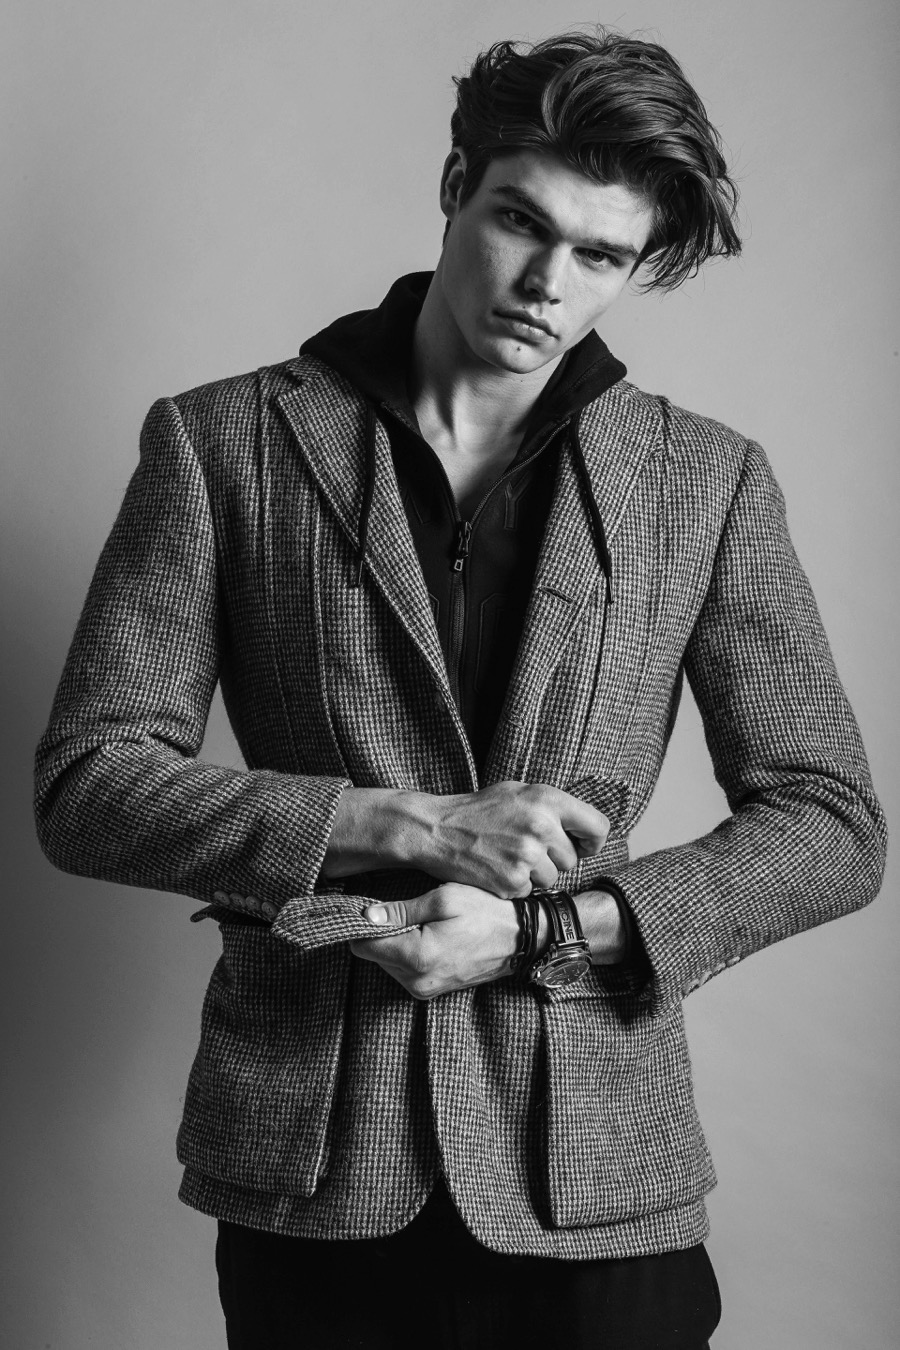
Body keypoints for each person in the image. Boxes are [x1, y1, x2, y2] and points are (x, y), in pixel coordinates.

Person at [34, 29, 886, 1350]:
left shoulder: (707, 482)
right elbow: (90, 788)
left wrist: (549, 934)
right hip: (319, 1161)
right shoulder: (222, 445)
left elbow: (833, 825)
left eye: (601, 256)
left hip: (597, 1175)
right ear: (454, 186)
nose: (548, 284)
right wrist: (412, 824)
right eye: (520, 223)